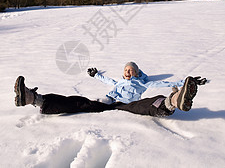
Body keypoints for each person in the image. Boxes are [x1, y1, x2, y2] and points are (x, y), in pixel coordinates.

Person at [14, 62, 207, 117]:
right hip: (108, 102)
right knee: (78, 102)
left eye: (132, 70)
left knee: (143, 106)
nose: (128, 72)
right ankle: (33, 98)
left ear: (137, 73)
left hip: (127, 104)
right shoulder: (118, 83)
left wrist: (185, 83)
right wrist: (95, 74)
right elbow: (107, 80)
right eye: (125, 70)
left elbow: (159, 84)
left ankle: (174, 101)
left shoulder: (141, 83)